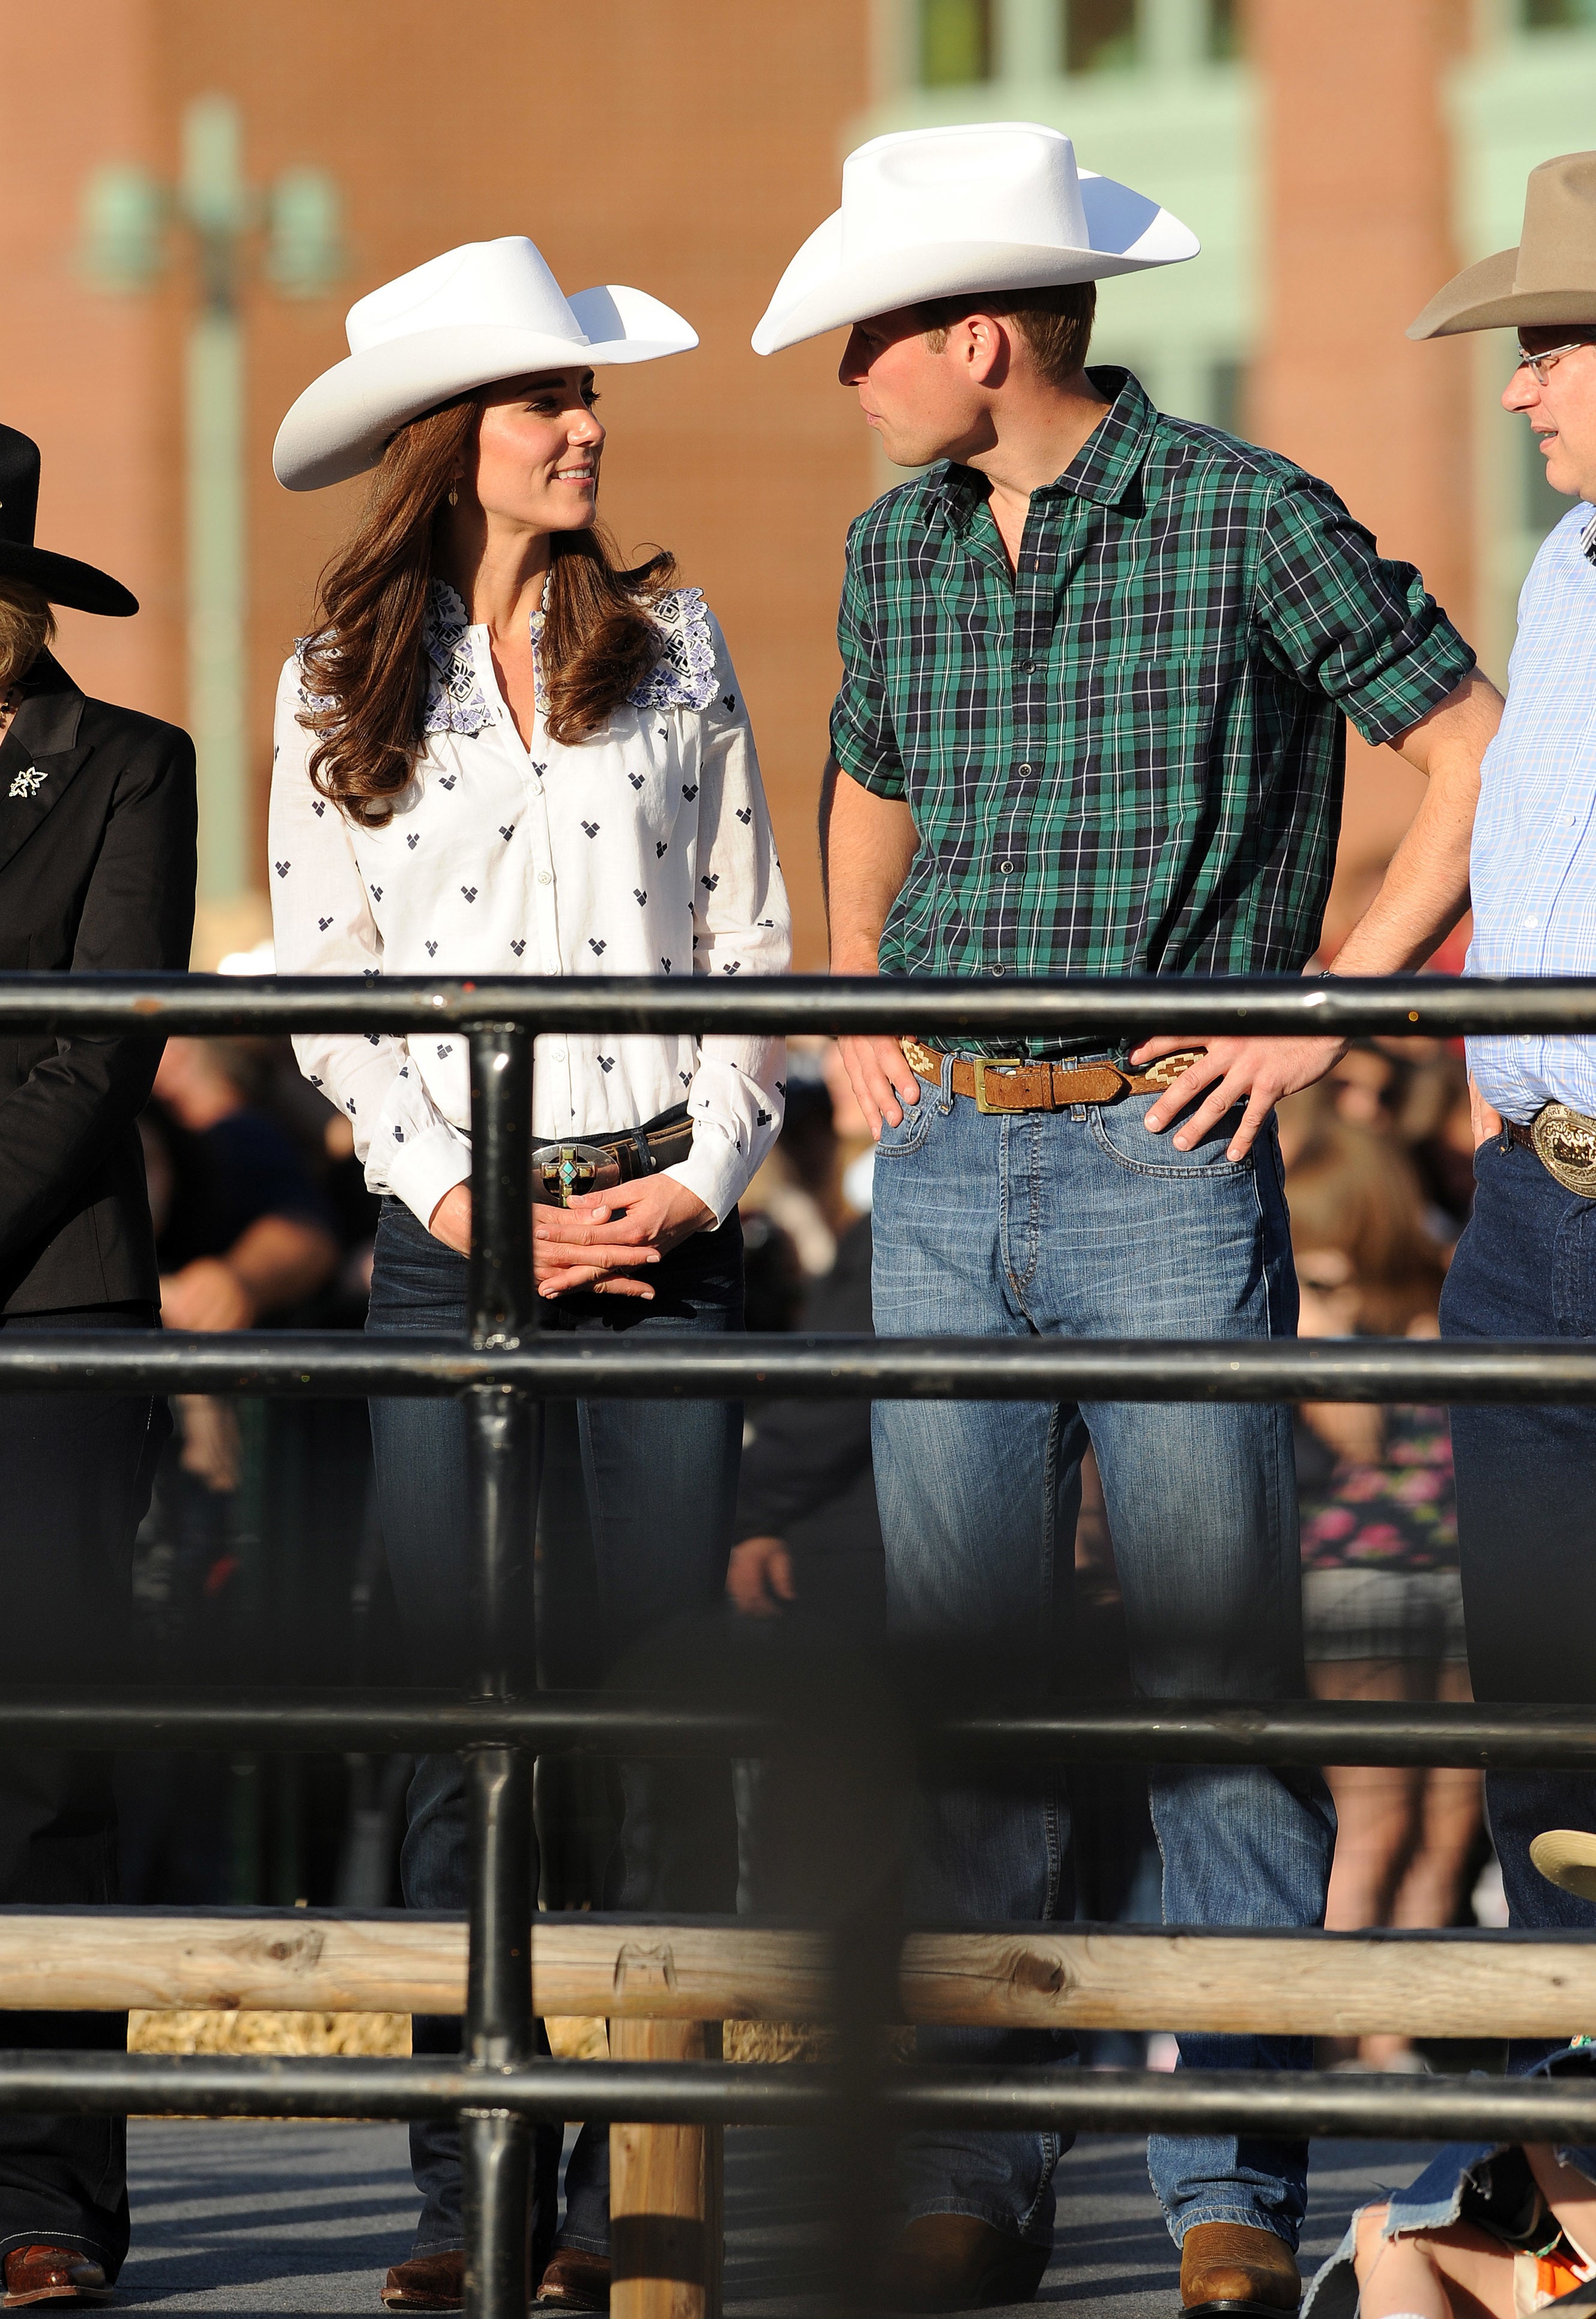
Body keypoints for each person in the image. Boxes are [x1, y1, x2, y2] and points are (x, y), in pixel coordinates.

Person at [753, 121, 1504, 2315]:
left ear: (982, 334)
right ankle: (972, 2171)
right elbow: (866, 772)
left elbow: (1463, 741)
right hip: (943, 1163)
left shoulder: (1245, 512)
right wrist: (851, 994)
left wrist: (1316, 1014)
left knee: (1209, 1686)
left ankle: (1222, 2192)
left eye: (871, 335)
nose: (846, 373)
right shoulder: (893, 548)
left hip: (1167, 1165)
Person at [268, 235, 791, 2315]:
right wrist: (468, 1202)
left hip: (659, 1244)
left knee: (652, 1717)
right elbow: (329, 996)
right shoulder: (329, 681)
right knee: (459, 1727)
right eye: (542, 399)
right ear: (447, 441)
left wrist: (699, 1179)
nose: (582, 427)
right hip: (448, 1259)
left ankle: (631, 2196)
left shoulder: (675, 642)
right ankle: (469, 2182)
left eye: (585, 397)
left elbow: (750, 943)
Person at [0, 425, 196, 2306]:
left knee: (43, 1756)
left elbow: (98, 1044)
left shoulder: (129, 763)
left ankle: (46, 2192)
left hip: (47, 1303)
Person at [1407, 148, 1596, 1965]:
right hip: (1533, 1203)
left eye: (1548, 349)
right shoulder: (1561, 566)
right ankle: (1567, 2056)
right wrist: (1499, 1070)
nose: (1520, 389)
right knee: (1538, 1701)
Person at [1287, 1108, 1482, 2073]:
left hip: (1461, 1571)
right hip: (1357, 1576)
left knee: (1448, 1822)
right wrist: (1324, 1308)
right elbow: (1354, 1434)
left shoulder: (1451, 1281)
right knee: (1373, 1820)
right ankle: (1333, 2034)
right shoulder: (1309, 1310)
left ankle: (1391, 2037)